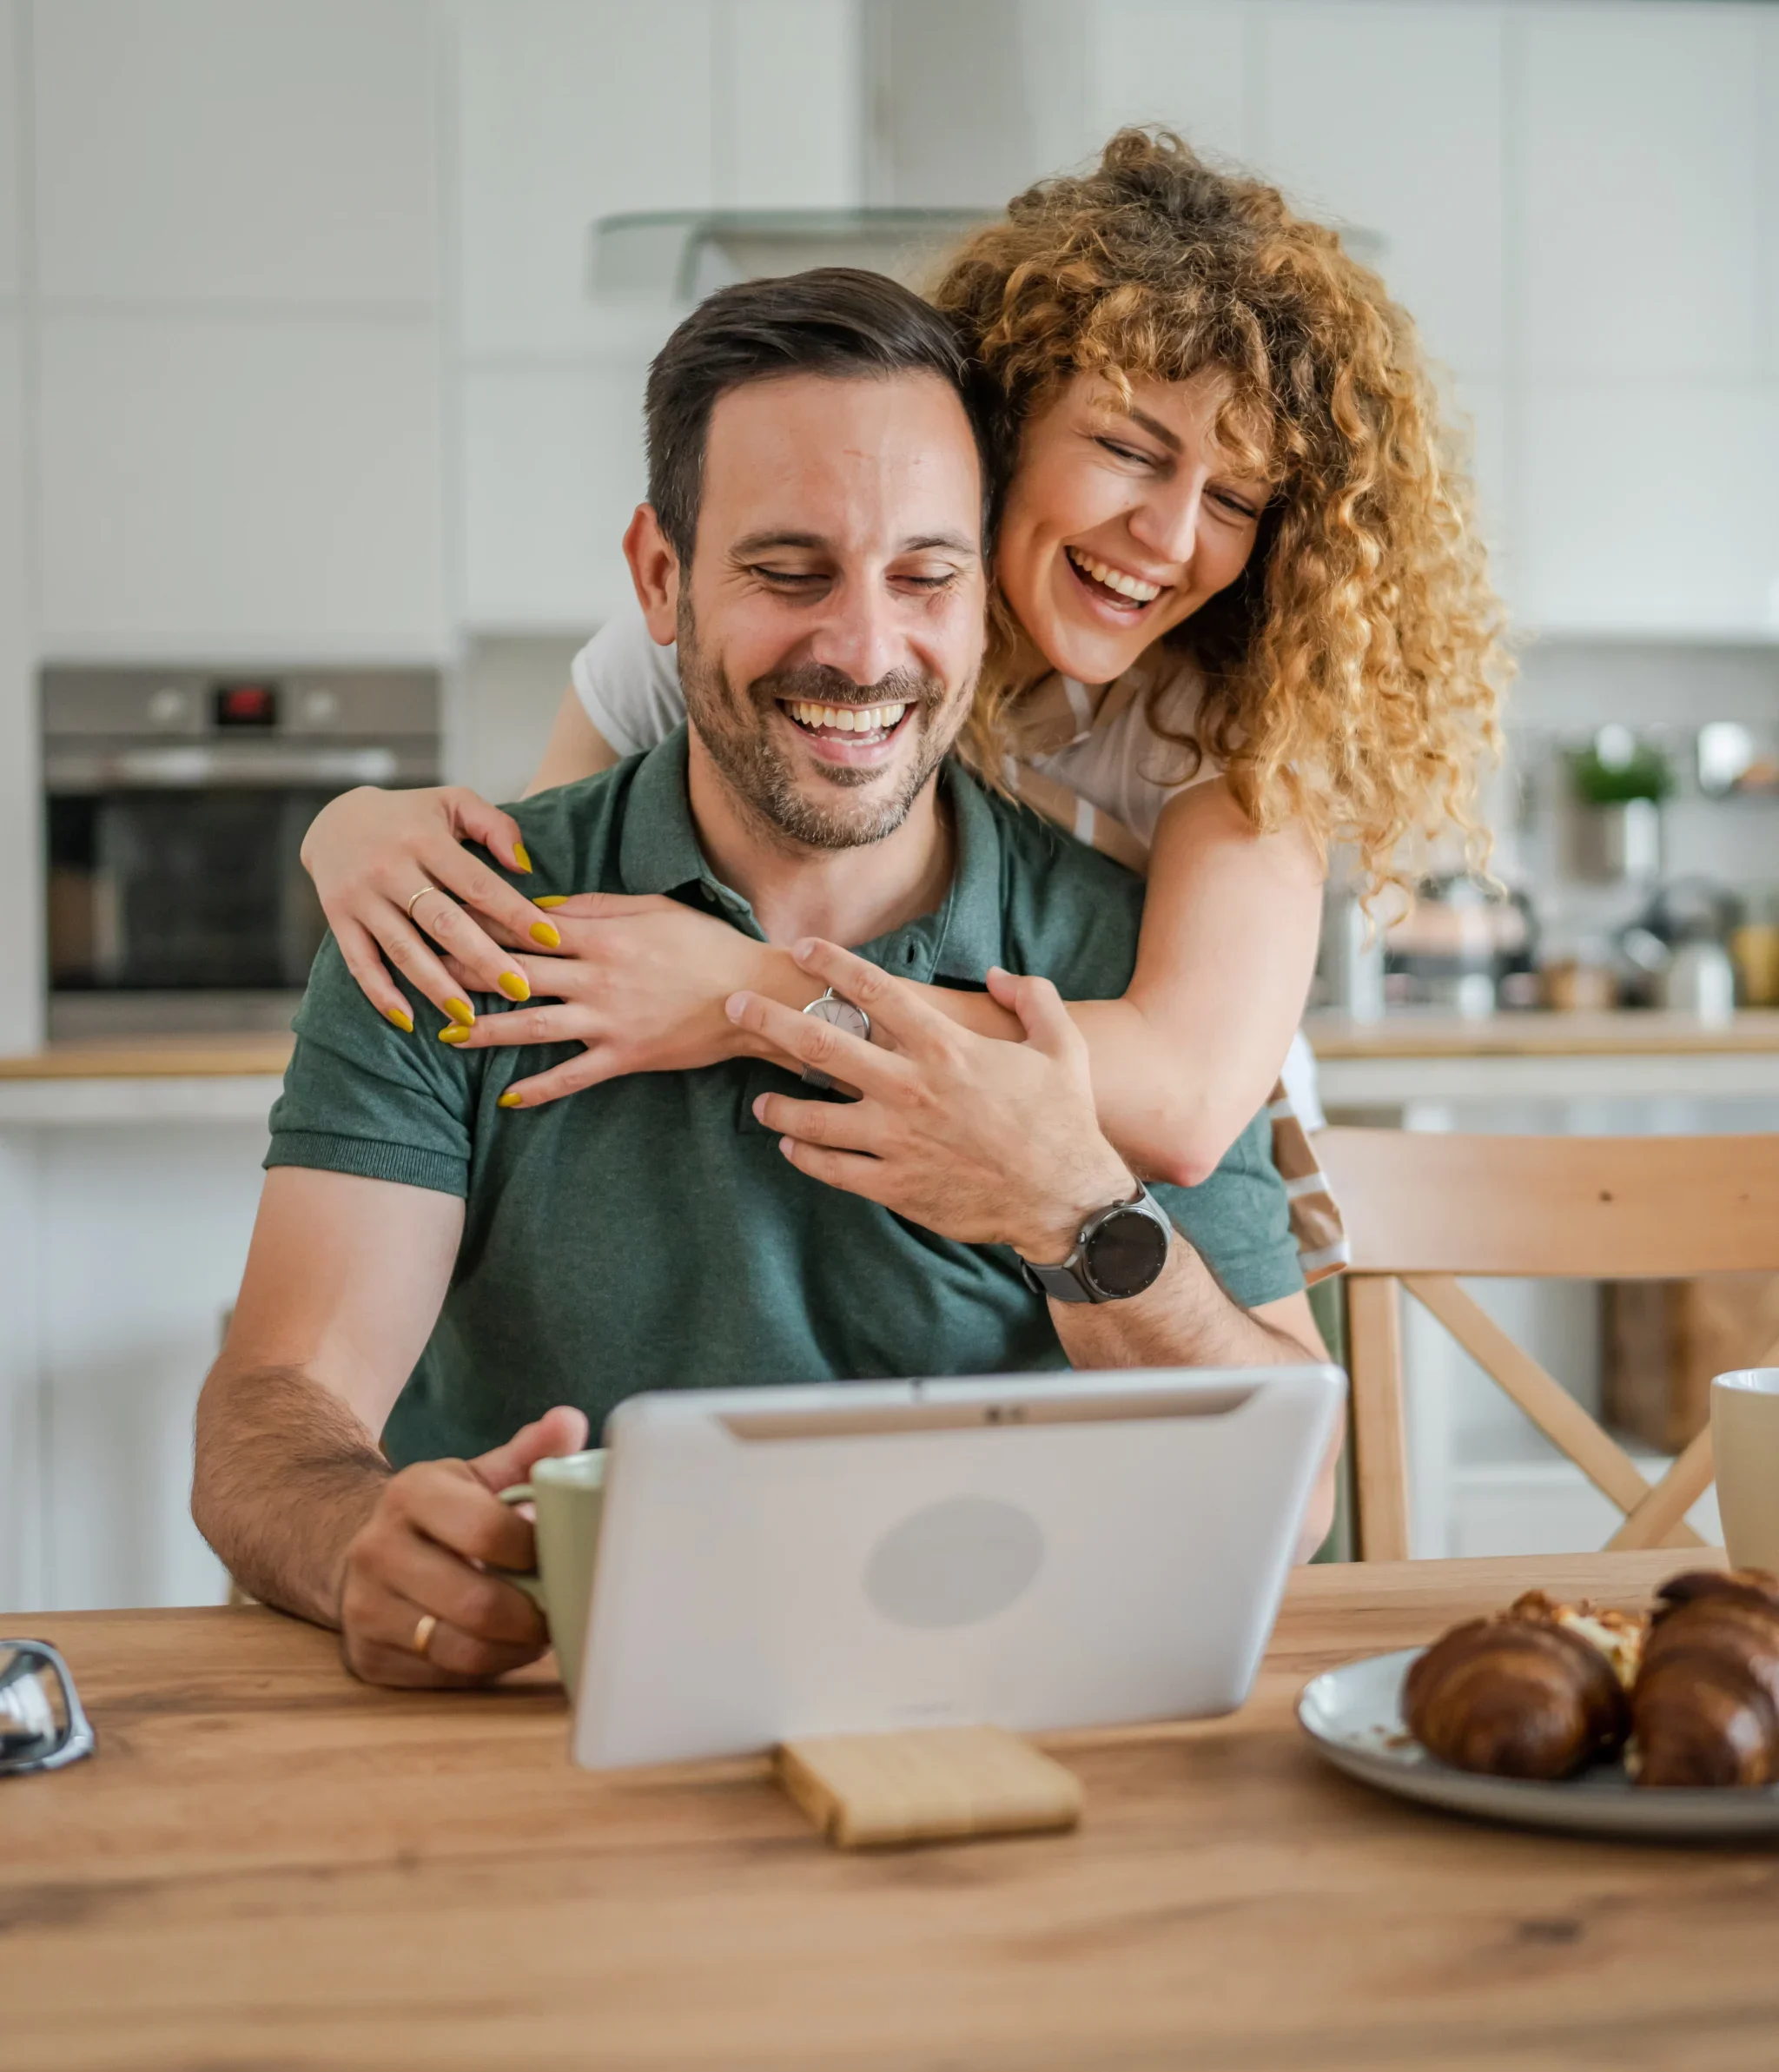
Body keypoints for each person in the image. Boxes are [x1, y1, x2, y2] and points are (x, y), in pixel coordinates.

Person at [192, 270, 1328, 1690]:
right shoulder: (460, 919)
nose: (861, 649)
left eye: (923, 576)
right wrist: (360, 1531)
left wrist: (1073, 1208)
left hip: (1012, 1715)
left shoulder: (1113, 951)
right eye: (788, 573)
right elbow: (272, 1410)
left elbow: (1298, 1494)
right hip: (548, 1724)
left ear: (984, 589)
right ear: (662, 577)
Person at [297, 131, 1505, 1286]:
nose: (1171, 536)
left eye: (1238, 498)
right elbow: (558, 921)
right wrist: (350, 826)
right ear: (1002, 419)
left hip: (1167, 1231)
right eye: (1130, 451)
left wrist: (753, 993)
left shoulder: (1234, 726)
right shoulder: (748, 634)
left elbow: (1187, 1106)